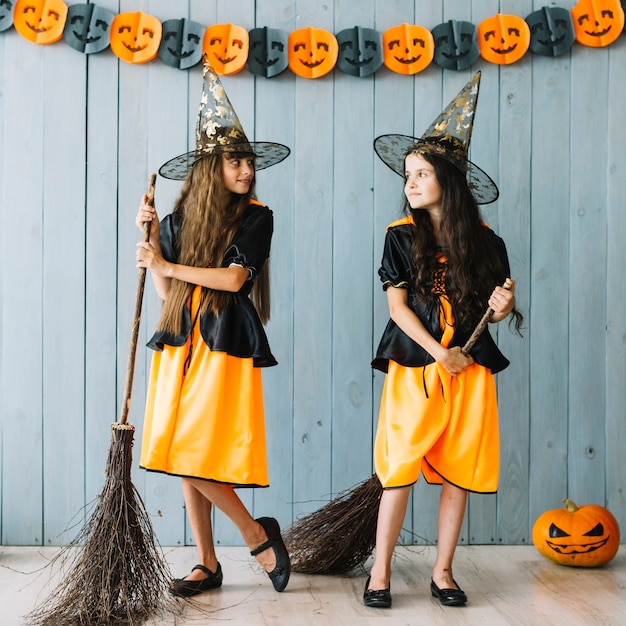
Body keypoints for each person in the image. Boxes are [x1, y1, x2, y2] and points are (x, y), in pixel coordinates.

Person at [364, 71, 523, 609]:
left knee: (457, 469)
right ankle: (380, 571)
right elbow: (397, 307)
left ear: (448, 182)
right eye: (407, 174)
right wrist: (439, 353)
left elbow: (492, 313)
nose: (410, 183)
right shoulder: (399, 236)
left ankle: (444, 571)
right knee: (401, 470)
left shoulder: (488, 243)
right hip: (420, 368)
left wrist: (501, 310)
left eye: (422, 174)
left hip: (470, 371)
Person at [135, 61, 291, 598]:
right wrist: (155, 245)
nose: (247, 170)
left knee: (189, 449)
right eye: (236, 161)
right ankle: (207, 562)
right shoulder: (178, 223)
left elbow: (231, 278)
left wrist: (169, 266)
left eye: (249, 162)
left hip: (223, 339)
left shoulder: (257, 216)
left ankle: (254, 534)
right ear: (211, 167)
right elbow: (164, 296)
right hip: (180, 340)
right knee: (183, 450)